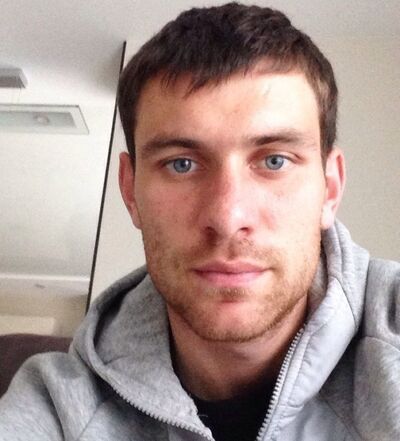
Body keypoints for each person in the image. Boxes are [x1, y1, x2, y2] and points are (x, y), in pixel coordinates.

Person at [0, 3, 399, 440]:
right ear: (130, 191)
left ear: (331, 188)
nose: (227, 218)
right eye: (182, 164)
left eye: (274, 160)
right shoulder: (57, 406)